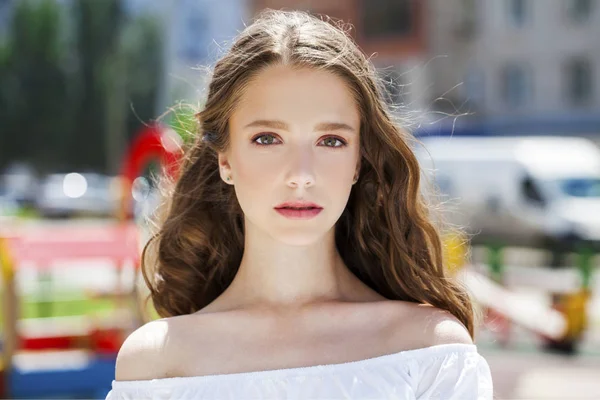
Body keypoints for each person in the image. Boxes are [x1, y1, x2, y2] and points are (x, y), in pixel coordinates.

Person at [106, 9, 494, 400]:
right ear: (225, 161)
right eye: (267, 138)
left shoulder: (428, 351)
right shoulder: (156, 362)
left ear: (358, 161)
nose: (301, 174)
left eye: (330, 141)